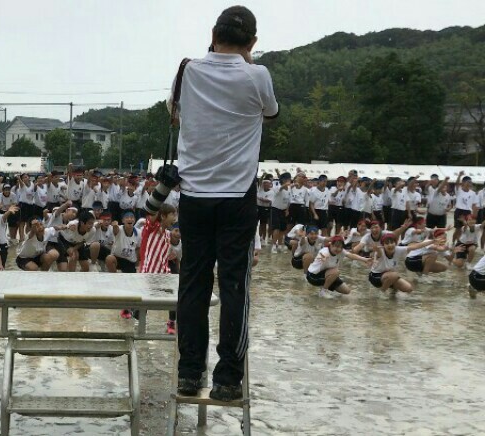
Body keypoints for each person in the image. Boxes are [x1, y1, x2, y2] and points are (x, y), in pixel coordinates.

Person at [172, 5, 279, 402]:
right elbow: (271, 113)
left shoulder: (187, 70)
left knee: (193, 284)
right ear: (252, 42)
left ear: (212, 35)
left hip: (194, 195)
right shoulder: (258, 75)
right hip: (237, 196)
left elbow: (177, 114)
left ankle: (188, 372)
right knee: (235, 285)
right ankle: (228, 379)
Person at [136, 204, 178, 334]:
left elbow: (162, 251)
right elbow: (152, 216)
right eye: (173, 215)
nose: (175, 218)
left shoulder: (167, 233)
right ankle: (132, 311)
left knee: (174, 295)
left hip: (164, 272)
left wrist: (170, 255)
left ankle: (171, 322)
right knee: (144, 304)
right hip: (149, 272)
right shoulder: (152, 228)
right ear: (163, 216)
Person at [369, 233, 439, 294]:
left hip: (389, 276)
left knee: (409, 289)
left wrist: (432, 241)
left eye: (392, 242)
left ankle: (393, 293)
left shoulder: (398, 249)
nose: (390, 245)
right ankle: (382, 292)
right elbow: (378, 253)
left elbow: (415, 246)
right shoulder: (380, 251)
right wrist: (377, 250)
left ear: (395, 243)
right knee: (394, 275)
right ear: (383, 245)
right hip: (375, 277)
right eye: (387, 243)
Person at [305, 235, 373, 297]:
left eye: (340, 247)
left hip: (328, 275)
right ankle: (323, 291)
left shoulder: (341, 251)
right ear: (331, 245)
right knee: (336, 271)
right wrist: (323, 258)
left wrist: (364, 259)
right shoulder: (324, 251)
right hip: (313, 276)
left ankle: (326, 288)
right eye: (336, 246)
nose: (338, 249)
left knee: (347, 291)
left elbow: (351, 256)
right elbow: (322, 256)